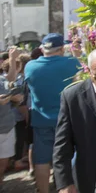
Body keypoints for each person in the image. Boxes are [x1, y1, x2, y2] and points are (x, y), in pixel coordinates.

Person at [53, 48, 96, 193]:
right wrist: (64, 183)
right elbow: (62, 144)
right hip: (88, 177)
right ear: (89, 71)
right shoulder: (72, 97)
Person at [24, 34, 80, 193]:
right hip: (67, 121)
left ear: (43, 49)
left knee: (41, 161)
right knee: (68, 159)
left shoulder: (30, 66)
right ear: (62, 48)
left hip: (41, 121)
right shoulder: (71, 63)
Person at [0, 48, 22, 187]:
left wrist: (12, 59)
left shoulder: (1, 78)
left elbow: (10, 79)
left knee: (3, 162)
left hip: (7, 127)